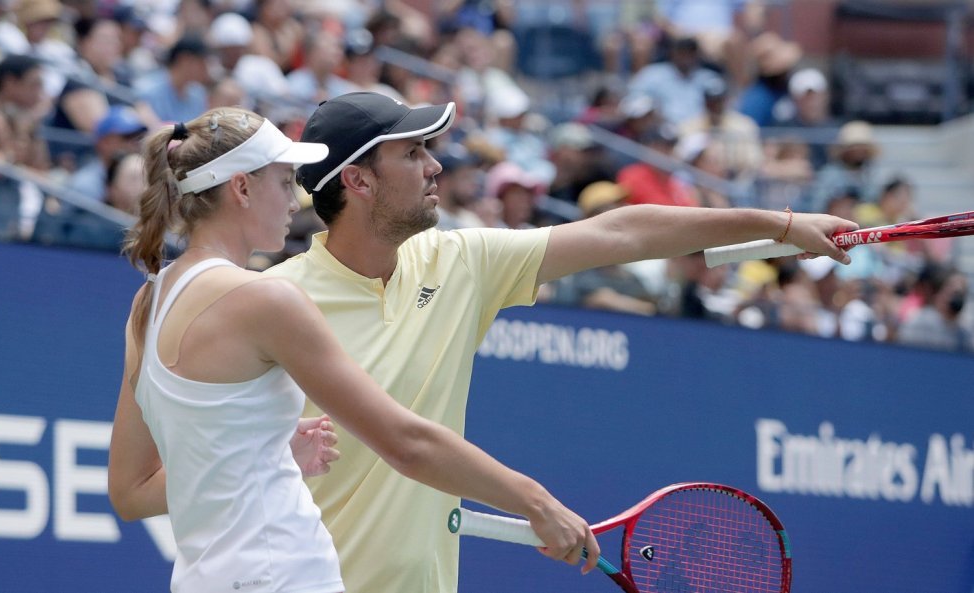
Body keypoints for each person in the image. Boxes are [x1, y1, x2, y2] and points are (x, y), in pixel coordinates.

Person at [264, 91, 859, 593]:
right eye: (413, 152)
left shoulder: (459, 261)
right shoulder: (270, 303)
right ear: (357, 180)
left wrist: (779, 225)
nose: (434, 166)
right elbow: (183, 476)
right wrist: (536, 504)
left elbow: (625, 230)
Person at [107, 106, 599, 593]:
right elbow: (407, 443)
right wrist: (537, 502)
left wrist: (265, 455)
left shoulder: (149, 302)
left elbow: (131, 493)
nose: (296, 201)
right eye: (283, 182)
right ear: (241, 188)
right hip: (287, 578)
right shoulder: (266, 298)